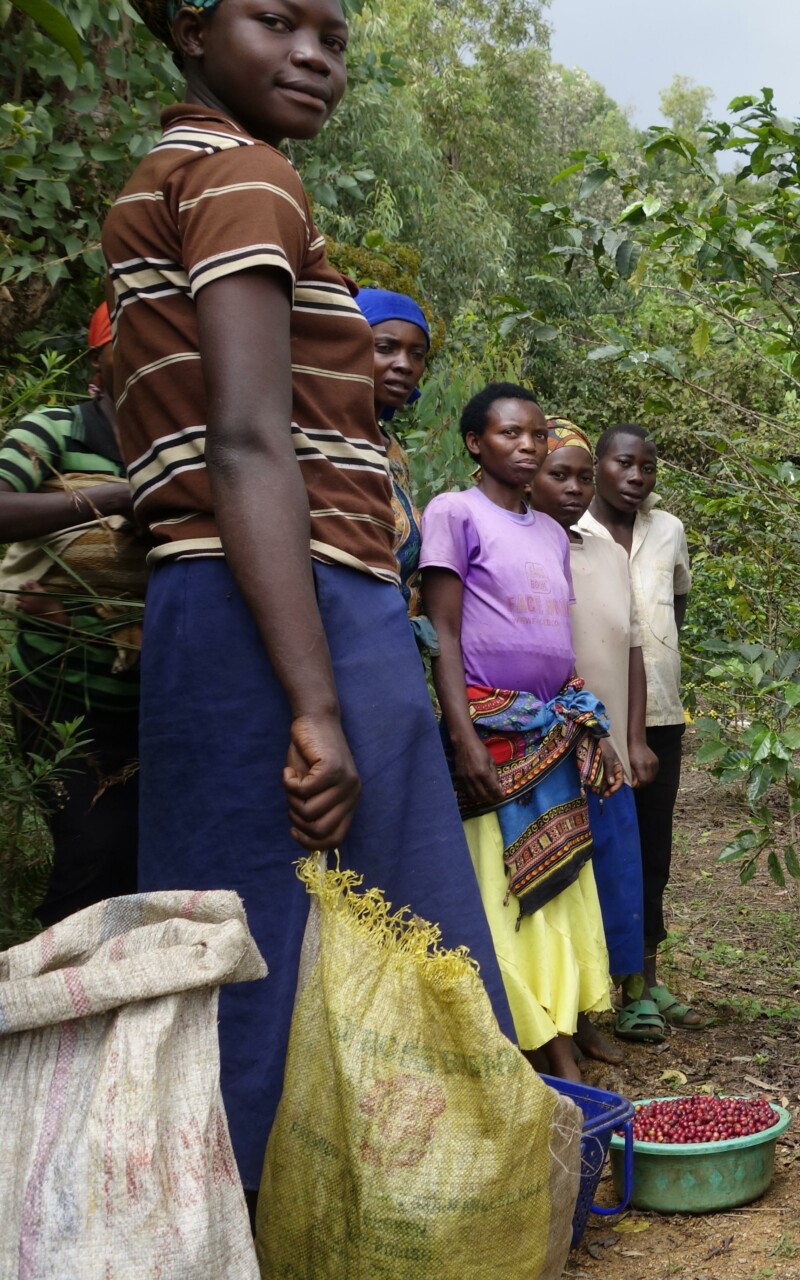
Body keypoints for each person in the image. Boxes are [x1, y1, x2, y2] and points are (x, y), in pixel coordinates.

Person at [109, 0, 510, 1189]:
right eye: (276, 21)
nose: (313, 58)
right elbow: (243, 441)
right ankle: (409, 1218)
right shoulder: (244, 174)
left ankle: (226, 1227)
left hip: (215, 608)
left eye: (334, 37)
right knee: (401, 943)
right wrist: (317, 704)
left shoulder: (161, 177)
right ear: (188, 29)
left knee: (226, 956)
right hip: (295, 610)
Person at [422, 384, 623, 1084]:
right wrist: (463, 734)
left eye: (537, 435)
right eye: (512, 433)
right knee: (501, 887)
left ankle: (559, 1022)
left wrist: (587, 722)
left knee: (563, 891)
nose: (529, 446)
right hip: (493, 729)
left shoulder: (548, 531)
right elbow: (442, 630)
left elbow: (552, 639)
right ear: (475, 442)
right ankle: (529, 1038)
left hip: (553, 729)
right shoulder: (454, 512)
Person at [0, 304, 145, 925]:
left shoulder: (182, 446)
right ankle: (46, 1006)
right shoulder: (56, 431)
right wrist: (113, 499)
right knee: (92, 856)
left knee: (139, 865)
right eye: (130, 342)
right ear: (97, 361)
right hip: (57, 698)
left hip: (152, 707)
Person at [530, 418, 659, 1052]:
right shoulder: (522, 543)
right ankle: (558, 1021)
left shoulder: (606, 552)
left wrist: (633, 737)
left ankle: (596, 1012)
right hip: (547, 744)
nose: (577, 488)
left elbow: (633, 647)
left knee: (610, 878)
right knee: (559, 884)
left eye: (584, 476)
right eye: (563, 474)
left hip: (605, 747)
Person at [578, 423, 709, 1032]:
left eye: (647, 468)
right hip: (586, 716)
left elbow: (673, 610)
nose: (636, 477)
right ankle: (597, 986)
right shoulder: (568, 526)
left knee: (652, 850)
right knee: (591, 846)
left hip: (658, 714)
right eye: (624, 464)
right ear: (599, 465)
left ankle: (646, 980)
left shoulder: (670, 530)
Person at [353, 286, 431, 604]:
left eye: (417, 354)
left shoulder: (394, 452)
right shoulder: (312, 439)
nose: (405, 365)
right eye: (386, 348)